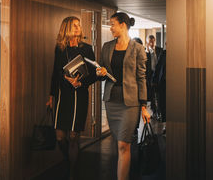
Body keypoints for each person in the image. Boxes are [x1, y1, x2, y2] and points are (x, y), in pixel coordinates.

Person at [96, 12, 150, 180]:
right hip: (112, 101)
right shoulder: (107, 46)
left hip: (130, 103)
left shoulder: (138, 48)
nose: (110, 28)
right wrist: (101, 72)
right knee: (119, 143)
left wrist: (144, 106)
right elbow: (100, 71)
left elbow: (142, 78)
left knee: (123, 145)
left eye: (113, 24)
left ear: (123, 25)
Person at [46, 16, 97, 178]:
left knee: (74, 136)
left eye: (79, 25)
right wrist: (51, 95)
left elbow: (94, 74)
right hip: (62, 96)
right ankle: (70, 160)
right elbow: (55, 73)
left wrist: (81, 83)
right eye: (74, 25)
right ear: (66, 28)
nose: (78, 28)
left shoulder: (87, 48)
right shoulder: (60, 48)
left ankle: (72, 173)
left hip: (79, 95)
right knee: (60, 136)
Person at [146, 35, 163, 119]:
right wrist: (148, 51)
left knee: (159, 94)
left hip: (158, 75)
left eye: (153, 41)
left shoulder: (160, 50)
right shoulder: (146, 52)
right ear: (147, 42)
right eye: (150, 41)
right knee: (152, 95)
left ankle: (159, 111)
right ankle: (154, 112)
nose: (151, 43)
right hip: (150, 76)